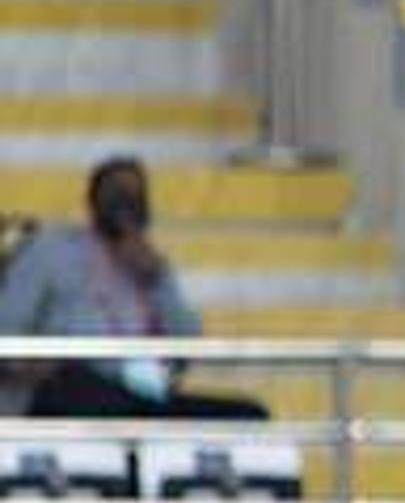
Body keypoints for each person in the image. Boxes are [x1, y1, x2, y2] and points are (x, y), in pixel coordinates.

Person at [0, 157, 267, 421]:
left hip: (142, 393)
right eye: (116, 194)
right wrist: (35, 364)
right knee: (83, 389)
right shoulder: (50, 250)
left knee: (249, 416)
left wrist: (157, 280)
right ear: (93, 200)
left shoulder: (151, 264)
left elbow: (188, 345)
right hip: (72, 387)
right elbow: (7, 328)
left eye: (134, 196)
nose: (125, 205)